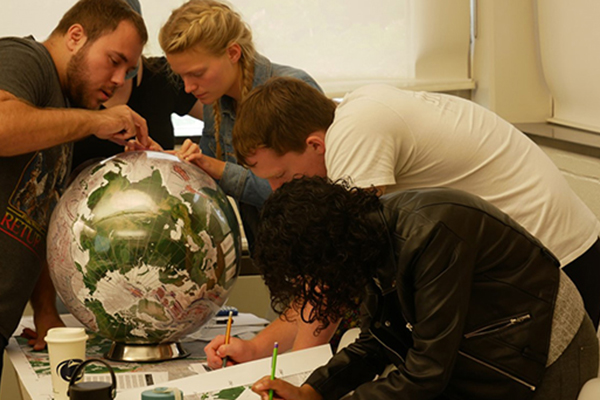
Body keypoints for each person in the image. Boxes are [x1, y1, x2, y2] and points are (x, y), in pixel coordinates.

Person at [202, 76, 600, 369]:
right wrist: (258, 350)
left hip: (561, 266)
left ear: (314, 145)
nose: (275, 190)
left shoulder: (354, 137)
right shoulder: (351, 118)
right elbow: (321, 286)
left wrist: (297, 376)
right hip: (529, 264)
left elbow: (333, 283)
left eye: (282, 176)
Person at [250, 177, 598, 400]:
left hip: (545, 352)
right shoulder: (366, 239)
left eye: (310, 276)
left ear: (328, 254)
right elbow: (377, 342)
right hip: (483, 352)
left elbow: (427, 373)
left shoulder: (431, 234)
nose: (313, 288)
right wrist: (313, 391)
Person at [0, 0, 150, 377]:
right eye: (114, 60)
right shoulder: (24, 57)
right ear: (75, 36)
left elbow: (37, 220)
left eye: (129, 70)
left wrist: (46, 311)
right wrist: (94, 122)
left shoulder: (60, 109)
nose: (119, 80)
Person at [156, 0, 322, 249]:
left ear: (233, 53)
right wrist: (174, 163)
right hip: (269, 248)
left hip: (315, 247)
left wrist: (218, 169)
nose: (189, 88)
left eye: (198, 74)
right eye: (181, 76)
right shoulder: (216, 101)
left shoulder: (292, 90)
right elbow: (209, 177)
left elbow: (309, 192)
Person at [71, 0, 202, 171]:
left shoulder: (164, 76)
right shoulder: (65, 86)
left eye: (128, 66)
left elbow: (224, 117)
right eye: (114, 60)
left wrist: (188, 161)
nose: (118, 80)